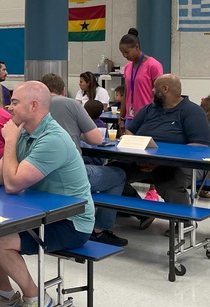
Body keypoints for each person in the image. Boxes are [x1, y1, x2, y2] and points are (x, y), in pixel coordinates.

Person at [0, 81, 94, 307]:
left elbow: (13, 184)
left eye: (15, 103)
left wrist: (9, 141)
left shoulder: (52, 139)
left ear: (33, 105)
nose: (10, 107)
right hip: (38, 214)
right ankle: (6, 295)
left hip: (71, 222)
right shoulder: (26, 132)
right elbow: (1, 171)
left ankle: (35, 296)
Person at [41, 73, 127, 246]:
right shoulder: (71, 104)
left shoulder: (33, 106)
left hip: (39, 175)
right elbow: (95, 139)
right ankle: (100, 229)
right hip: (67, 177)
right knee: (119, 174)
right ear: (63, 90)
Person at [116, 74, 210, 230]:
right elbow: (129, 132)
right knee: (113, 172)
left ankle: (183, 224)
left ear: (165, 89)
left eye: (155, 87)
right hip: (142, 160)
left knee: (170, 182)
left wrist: (161, 162)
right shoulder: (148, 109)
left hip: (180, 165)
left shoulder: (192, 111)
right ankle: (142, 211)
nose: (152, 90)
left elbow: (201, 146)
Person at [119, 28, 164, 202]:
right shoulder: (128, 67)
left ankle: (153, 191)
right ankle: (127, 191)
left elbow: (160, 93)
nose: (125, 56)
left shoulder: (153, 65)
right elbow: (126, 92)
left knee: (150, 156)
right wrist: (121, 117)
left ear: (136, 47)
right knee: (130, 155)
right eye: (122, 53)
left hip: (149, 116)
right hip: (131, 117)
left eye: (126, 52)